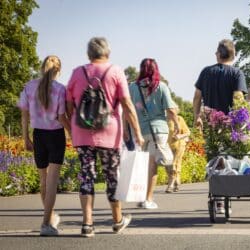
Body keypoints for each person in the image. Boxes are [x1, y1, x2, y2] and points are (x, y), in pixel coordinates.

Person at [66, 37, 144, 237]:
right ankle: (117, 221)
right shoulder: (116, 71)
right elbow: (127, 104)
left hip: (82, 133)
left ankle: (87, 224)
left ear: (88, 54)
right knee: (111, 176)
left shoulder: (77, 72)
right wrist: (138, 133)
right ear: (107, 53)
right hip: (110, 133)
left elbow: (69, 104)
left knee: (86, 175)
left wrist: (73, 125)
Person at [18, 55, 71, 236]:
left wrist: (25, 138)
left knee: (43, 180)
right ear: (58, 70)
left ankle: (49, 217)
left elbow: (24, 114)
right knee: (52, 181)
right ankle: (46, 224)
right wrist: (73, 134)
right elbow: (62, 117)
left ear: (42, 68)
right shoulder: (60, 89)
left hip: (38, 135)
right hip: (55, 136)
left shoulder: (30, 86)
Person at [193, 39, 247, 214]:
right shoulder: (237, 73)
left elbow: (197, 97)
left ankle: (218, 200)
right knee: (228, 162)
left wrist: (197, 117)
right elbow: (238, 97)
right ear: (234, 55)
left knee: (214, 161)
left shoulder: (206, 72)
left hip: (210, 125)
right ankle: (224, 201)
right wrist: (241, 121)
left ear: (218, 53)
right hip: (229, 126)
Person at [129, 58, 180, 209]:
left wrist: (126, 130)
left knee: (143, 165)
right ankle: (148, 199)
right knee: (153, 165)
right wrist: (177, 124)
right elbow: (171, 110)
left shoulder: (132, 87)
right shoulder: (161, 86)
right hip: (158, 130)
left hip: (139, 131)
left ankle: (142, 197)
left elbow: (127, 109)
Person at [166, 111, 191, 193]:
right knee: (168, 165)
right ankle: (177, 181)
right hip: (167, 146)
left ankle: (171, 184)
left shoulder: (180, 119)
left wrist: (180, 136)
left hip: (179, 144)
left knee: (174, 163)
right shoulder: (164, 119)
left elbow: (188, 132)